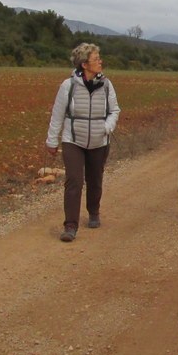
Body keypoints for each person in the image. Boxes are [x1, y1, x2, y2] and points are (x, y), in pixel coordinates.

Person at [46, 43, 120, 242]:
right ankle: (70, 225)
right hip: (73, 140)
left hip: (99, 140)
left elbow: (114, 110)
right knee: (74, 181)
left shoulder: (106, 85)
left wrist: (107, 127)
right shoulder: (68, 86)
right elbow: (57, 114)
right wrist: (52, 140)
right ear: (85, 64)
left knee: (95, 179)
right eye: (96, 59)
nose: (100, 62)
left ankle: (94, 211)